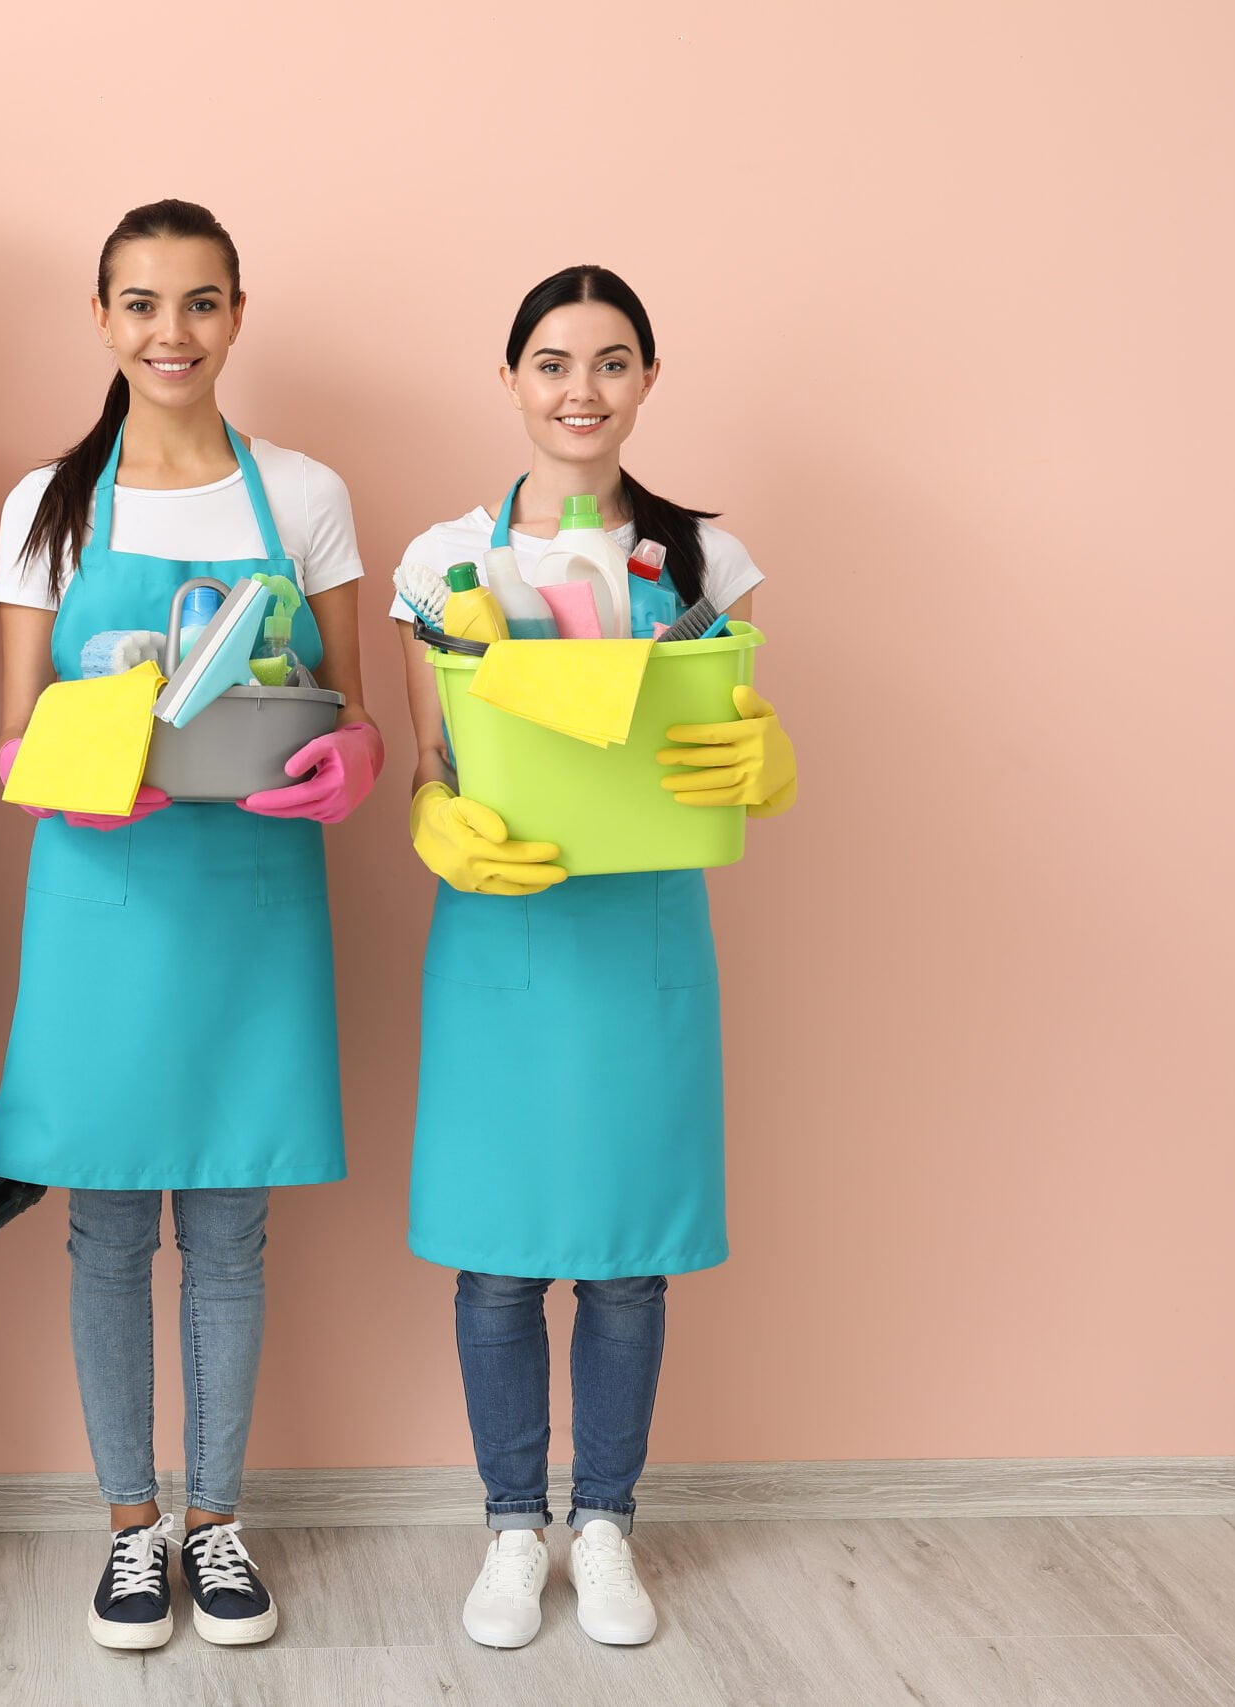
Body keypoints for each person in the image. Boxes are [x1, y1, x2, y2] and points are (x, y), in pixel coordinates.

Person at [0, 199, 383, 1651]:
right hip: (103, 898)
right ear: (102, 319)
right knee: (103, 1228)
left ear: (237, 314)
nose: (172, 332)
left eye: (200, 303)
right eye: (142, 304)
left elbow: (355, 713)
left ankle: (220, 1522)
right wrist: (73, 787)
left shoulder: (308, 496)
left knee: (228, 1224)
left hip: (253, 900)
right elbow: (15, 736)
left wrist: (357, 768)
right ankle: (130, 1530)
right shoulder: (48, 503)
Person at [392, 265, 799, 1653]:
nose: (582, 390)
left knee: (628, 1257)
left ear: (647, 382)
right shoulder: (449, 565)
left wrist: (769, 764)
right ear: (511, 379)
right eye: (554, 362)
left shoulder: (704, 565)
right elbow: (432, 764)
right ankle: (515, 1529)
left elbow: (727, 742)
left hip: (643, 946)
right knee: (502, 1257)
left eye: (612, 362)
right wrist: (435, 819)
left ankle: (607, 1525)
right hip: (504, 937)